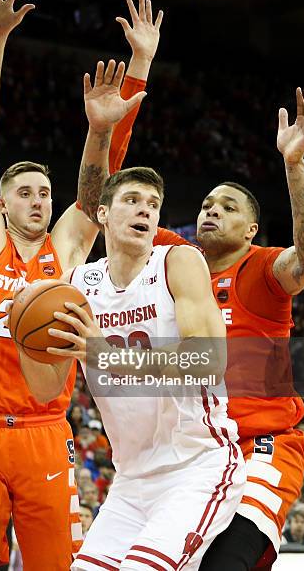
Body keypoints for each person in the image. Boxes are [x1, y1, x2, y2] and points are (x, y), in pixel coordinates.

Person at [0, 0, 162, 571]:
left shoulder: (64, 250)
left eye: (45, 191)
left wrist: (130, 81)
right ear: (1, 202)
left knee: (59, 567)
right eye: (26, 192)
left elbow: (101, 181)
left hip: (45, 432)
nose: (41, 200)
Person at [22, 166, 246, 569]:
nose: (145, 211)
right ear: (103, 214)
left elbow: (209, 361)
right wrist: (25, 338)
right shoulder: (77, 285)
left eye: (153, 205)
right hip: (129, 483)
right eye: (132, 201)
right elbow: (43, 390)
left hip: (197, 469)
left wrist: (109, 355)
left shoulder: (178, 262)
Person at [150, 86, 304, 569]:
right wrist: (108, 123)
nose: (212, 210)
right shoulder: (175, 259)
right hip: (195, 450)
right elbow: (109, 205)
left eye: (229, 207)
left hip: (261, 445)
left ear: (251, 229)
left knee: (227, 560)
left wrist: (294, 165)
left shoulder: (262, 269)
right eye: (208, 204)